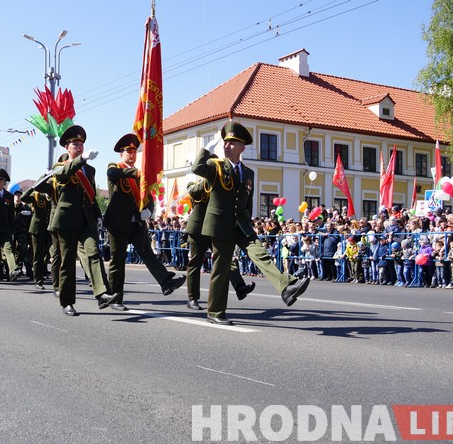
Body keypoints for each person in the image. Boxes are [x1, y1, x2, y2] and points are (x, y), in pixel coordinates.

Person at [192, 122, 309, 325]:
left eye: (232, 143)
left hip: (242, 225)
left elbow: (247, 202)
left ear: (242, 147)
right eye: (226, 143)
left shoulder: (248, 173)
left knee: (260, 254)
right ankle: (215, 312)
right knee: (222, 268)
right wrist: (206, 150)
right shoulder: (216, 166)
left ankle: (286, 288)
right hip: (220, 225)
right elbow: (197, 168)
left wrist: (248, 224)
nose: (227, 146)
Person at [104, 133, 187, 311]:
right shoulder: (116, 167)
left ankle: (166, 282)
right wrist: (136, 173)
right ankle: (115, 298)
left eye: (134, 151)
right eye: (128, 151)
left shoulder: (140, 174)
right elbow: (112, 174)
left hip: (136, 223)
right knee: (117, 262)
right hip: (118, 223)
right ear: (121, 154)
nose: (132, 154)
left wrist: (149, 210)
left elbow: (148, 196)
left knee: (147, 253)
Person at [47, 125, 120, 316]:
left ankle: (101, 293)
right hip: (66, 220)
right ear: (66, 147)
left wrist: (97, 215)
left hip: (86, 219)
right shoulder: (59, 166)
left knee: (93, 253)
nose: (78, 146)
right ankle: (67, 302)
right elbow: (62, 175)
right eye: (74, 144)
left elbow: (91, 195)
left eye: (80, 143)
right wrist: (81, 159)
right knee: (68, 261)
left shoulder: (91, 169)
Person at [185, 178, 255, 310]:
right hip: (198, 228)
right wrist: (209, 178)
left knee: (225, 258)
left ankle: (240, 287)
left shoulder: (220, 185)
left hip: (214, 228)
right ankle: (192, 298)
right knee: (195, 262)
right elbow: (193, 192)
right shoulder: (194, 183)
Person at [21, 184, 51, 289]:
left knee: (50, 254)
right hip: (37, 229)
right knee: (38, 255)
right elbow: (23, 198)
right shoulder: (37, 195)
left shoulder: (54, 195)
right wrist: (32, 188)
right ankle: (38, 280)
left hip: (50, 229)